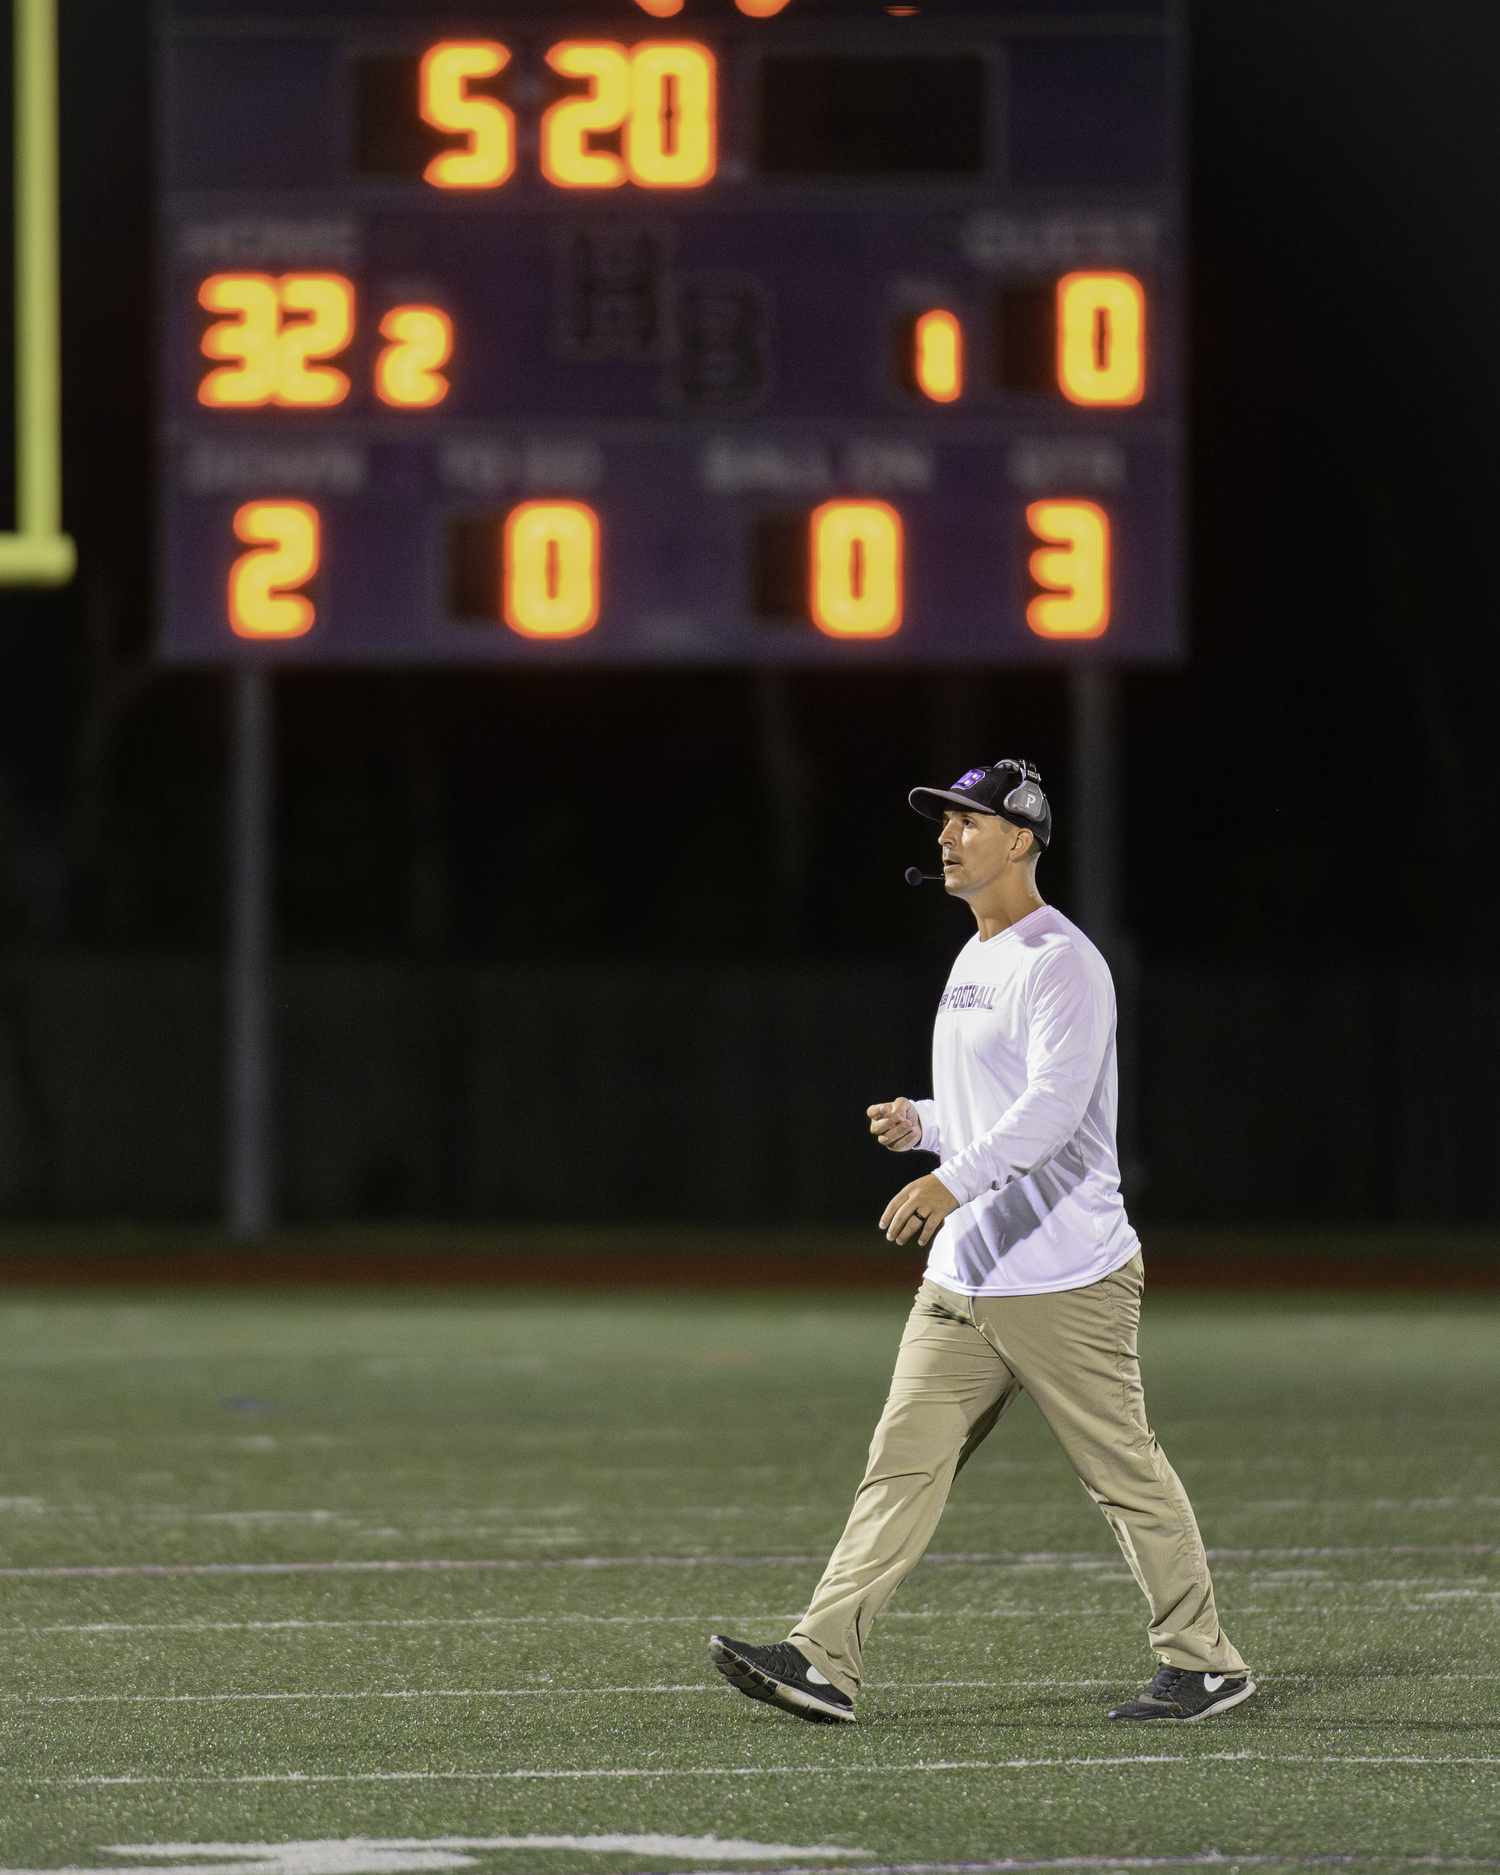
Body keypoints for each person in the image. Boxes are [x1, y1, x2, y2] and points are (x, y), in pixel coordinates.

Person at [709, 759, 1252, 1725]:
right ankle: (823, 1657)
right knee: (899, 1466)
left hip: (1063, 1278)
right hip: (964, 1273)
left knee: (1123, 1474)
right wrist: (925, 1123)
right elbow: (991, 1111)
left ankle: (1204, 1662)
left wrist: (947, 1177)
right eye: (945, 822)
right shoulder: (972, 959)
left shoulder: (1062, 961)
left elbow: (1052, 1112)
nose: (947, 836)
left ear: (1022, 839)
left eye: (968, 821)